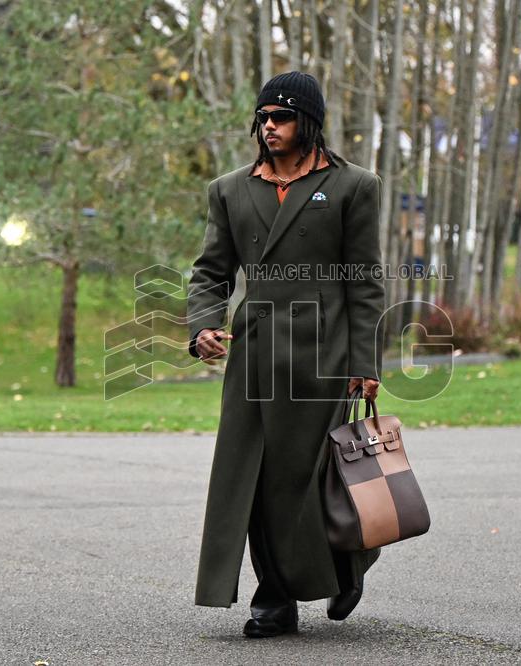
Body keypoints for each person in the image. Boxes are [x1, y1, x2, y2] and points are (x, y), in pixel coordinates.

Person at [186, 71, 385, 638]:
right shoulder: (229, 189)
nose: (269, 127)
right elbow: (210, 273)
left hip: (324, 354)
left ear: (310, 122)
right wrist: (204, 326)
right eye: (263, 118)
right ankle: (273, 596)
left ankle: (348, 563)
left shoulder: (353, 186)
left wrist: (365, 364)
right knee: (250, 475)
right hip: (254, 355)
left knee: (310, 477)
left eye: (282, 117)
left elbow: (366, 282)